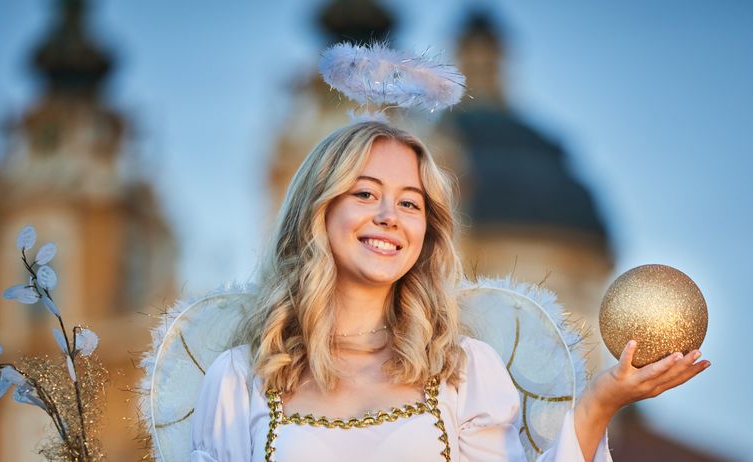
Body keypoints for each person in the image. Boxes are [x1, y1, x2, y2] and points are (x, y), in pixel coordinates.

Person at [190, 121, 710, 461]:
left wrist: (601, 402)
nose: (388, 217)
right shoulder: (239, 381)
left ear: (426, 233)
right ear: (318, 211)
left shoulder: (465, 372)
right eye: (366, 193)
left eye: (410, 203)